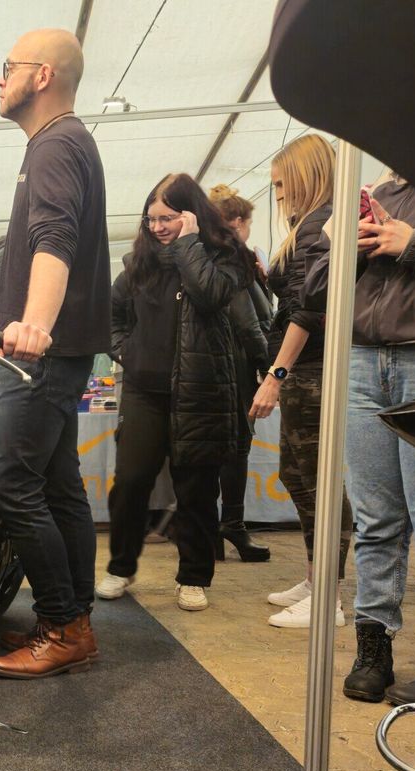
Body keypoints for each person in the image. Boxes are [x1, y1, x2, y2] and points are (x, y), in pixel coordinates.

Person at [305, 175, 415, 705]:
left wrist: (413, 244)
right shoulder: (373, 193)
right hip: (363, 360)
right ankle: (373, 649)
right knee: (375, 518)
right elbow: (314, 291)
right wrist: (346, 244)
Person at [0, 29, 110, 680]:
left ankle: (62, 625)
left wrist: (34, 324)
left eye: (8, 68)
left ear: (41, 76)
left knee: (12, 484)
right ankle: (74, 621)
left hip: (43, 353)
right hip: (61, 351)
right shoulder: (62, 142)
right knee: (59, 487)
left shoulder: (56, 143)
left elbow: (54, 239)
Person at [96, 174, 251, 612]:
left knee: (196, 489)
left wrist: (188, 244)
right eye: (151, 219)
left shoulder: (225, 256)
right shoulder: (138, 264)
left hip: (200, 391)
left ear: (192, 215)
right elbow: (112, 316)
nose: (157, 227)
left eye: (167, 218)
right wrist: (126, 351)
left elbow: (210, 294)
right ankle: (121, 567)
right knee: (130, 482)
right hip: (144, 391)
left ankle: (194, 577)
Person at [249, 134, 352, 629]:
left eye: (281, 184)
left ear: (304, 177)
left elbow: (308, 311)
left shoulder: (317, 226)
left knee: (318, 482)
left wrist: (276, 374)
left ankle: (328, 596)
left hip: (310, 369)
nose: (278, 194)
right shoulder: (309, 226)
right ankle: (317, 580)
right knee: (298, 475)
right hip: (305, 369)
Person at [208, 184, 274, 563]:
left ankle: (223, 527)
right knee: (234, 448)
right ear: (237, 223)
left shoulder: (223, 258)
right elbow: (249, 324)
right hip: (236, 366)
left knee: (229, 448)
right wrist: (271, 370)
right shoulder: (230, 260)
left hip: (230, 365)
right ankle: (230, 525)